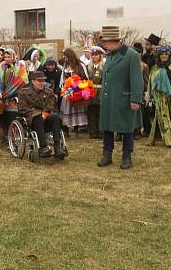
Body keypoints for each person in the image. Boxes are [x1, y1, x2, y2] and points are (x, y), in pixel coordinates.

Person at [97, 25, 144, 170]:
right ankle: (107, 154)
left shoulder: (131, 55)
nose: (103, 45)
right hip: (108, 99)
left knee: (126, 129)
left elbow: (136, 79)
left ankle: (126, 156)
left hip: (124, 99)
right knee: (107, 128)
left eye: (104, 42)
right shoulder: (109, 55)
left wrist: (135, 99)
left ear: (113, 41)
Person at [18, 71, 66, 158]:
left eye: (43, 81)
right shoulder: (23, 92)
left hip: (46, 116)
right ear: (33, 81)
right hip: (31, 118)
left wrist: (44, 114)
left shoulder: (49, 92)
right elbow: (23, 109)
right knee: (38, 117)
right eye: (39, 81)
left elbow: (51, 107)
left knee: (55, 117)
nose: (41, 83)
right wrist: (38, 114)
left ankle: (57, 148)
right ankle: (43, 148)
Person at [0, 49, 28, 144]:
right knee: (2, 119)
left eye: (9, 57)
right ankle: (4, 138)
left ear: (13, 57)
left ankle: (14, 139)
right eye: (5, 57)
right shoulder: (2, 67)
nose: (7, 59)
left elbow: (22, 81)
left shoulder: (20, 67)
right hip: (3, 98)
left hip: (15, 98)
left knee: (12, 119)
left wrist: (9, 93)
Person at [59, 48, 89, 136]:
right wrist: (63, 87)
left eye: (66, 57)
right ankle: (66, 129)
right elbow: (62, 78)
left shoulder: (80, 65)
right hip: (67, 90)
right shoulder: (65, 66)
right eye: (64, 57)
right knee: (66, 108)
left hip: (77, 89)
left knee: (76, 108)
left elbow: (85, 78)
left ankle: (76, 128)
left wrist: (78, 86)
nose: (65, 59)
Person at [85, 46, 105, 139]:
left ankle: (101, 132)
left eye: (96, 55)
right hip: (90, 93)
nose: (94, 57)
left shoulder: (103, 67)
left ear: (100, 56)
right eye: (93, 55)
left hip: (100, 92)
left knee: (100, 114)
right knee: (91, 113)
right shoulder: (88, 67)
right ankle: (93, 132)